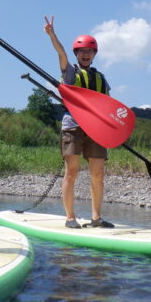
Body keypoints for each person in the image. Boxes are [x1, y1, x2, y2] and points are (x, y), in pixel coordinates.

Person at [43, 16, 114, 228]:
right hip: (73, 126)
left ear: (94, 55)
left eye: (89, 52)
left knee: (98, 174)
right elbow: (61, 54)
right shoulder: (70, 72)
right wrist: (52, 35)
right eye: (82, 52)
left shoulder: (101, 78)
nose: (86, 54)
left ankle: (96, 218)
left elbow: (108, 106)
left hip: (96, 129)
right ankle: (70, 217)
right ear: (77, 54)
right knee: (72, 171)